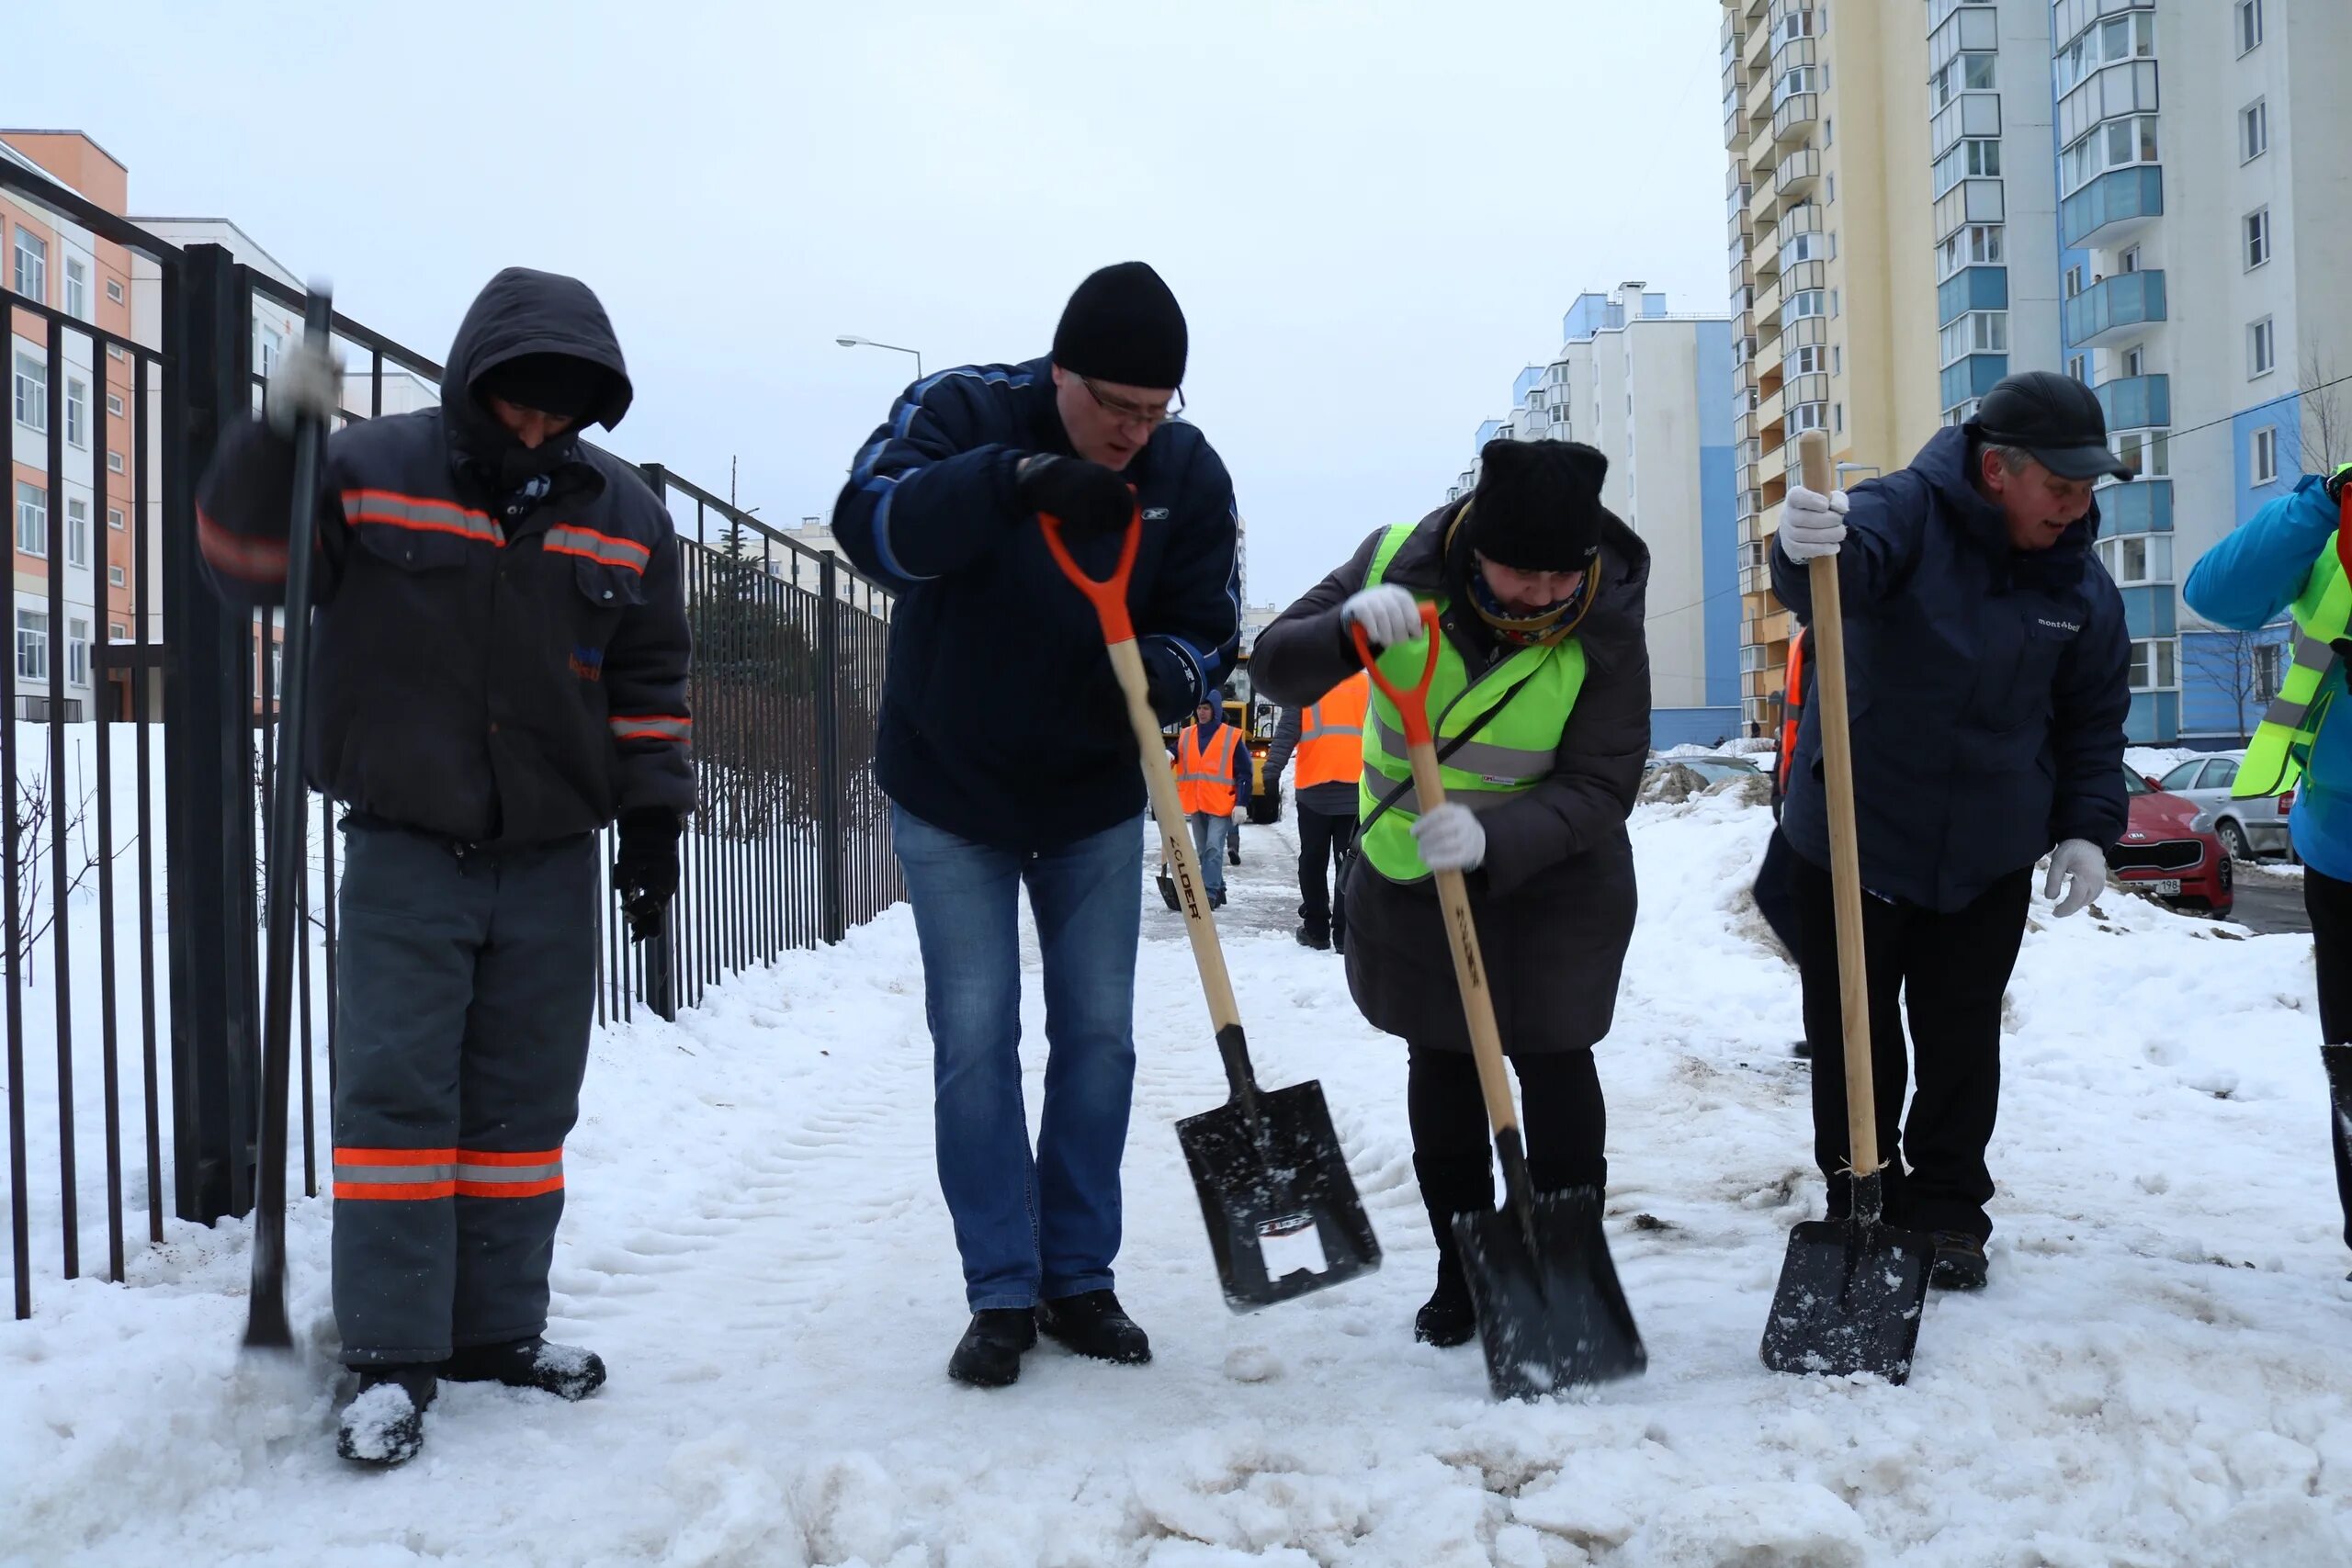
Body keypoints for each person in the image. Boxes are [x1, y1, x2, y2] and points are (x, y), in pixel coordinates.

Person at [196, 268, 692, 1465]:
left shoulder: (624, 512)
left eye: (561, 409)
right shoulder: (371, 467)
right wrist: (276, 433)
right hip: (408, 844)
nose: (535, 425)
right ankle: (389, 1354)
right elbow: (242, 561)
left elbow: (651, 682)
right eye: (518, 401)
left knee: (524, 1109)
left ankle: (494, 1331)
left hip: (551, 854)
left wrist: (654, 824)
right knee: (398, 1109)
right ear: (475, 380)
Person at [831, 263, 1240, 1388]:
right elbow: (867, 526)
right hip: (952, 787)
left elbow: (1212, 625)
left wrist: (1166, 671)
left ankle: (1079, 1277)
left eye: (1155, 412)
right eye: (1114, 407)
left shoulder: (1185, 473)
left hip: (1094, 797)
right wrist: (1009, 482)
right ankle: (1001, 1290)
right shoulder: (960, 411)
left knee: (1099, 1041)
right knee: (975, 1040)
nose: (1133, 433)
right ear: (1060, 372)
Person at [1252, 439, 1649, 1347]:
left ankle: (1562, 1266)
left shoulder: (1607, 612)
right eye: (1522, 572)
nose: (1545, 594)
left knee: (1552, 1060)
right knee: (1443, 1063)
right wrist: (1347, 628)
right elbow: (1278, 667)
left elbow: (1602, 780)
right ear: (1474, 548)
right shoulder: (1397, 558)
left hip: (1555, 870)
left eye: (1564, 572)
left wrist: (1494, 835)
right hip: (1410, 871)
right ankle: (1464, 1267)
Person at [1770, 369, 2132, 1291]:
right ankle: (1860, 1189)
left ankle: (1946, 1211)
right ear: (1999, 469)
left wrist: (2086, 829)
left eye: (2088, 488)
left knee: (1960, 1038)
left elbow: (2091, 721)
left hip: (1986, 848)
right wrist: (1795, 546)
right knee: (1854, 1032)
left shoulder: (2079, 587)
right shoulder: (1905, 512)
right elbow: (1834, 573)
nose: (2075, 506)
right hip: (1857, 832)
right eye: (2060, 486)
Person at [2182, 461, 2352, 1270]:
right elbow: (2217, 595)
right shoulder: (2333, 527)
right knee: (2351, 1066)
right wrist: (2319, 502)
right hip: (2343, 847)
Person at [1261, 671, 1370, 951]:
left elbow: (1287, 730)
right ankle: (1345, 935)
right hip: (1356, 792)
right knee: (1350, 862)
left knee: (1312, 861)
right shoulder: (1368, 686)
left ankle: (1317, 929)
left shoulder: (1304, 683)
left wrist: (1272, 771)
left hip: (1314, 793)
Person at [1175, 690, 1252, 908]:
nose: (1201, 712)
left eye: (1206, 708)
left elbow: (1244, 772)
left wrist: (1242, 803)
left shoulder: (1231, 736)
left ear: (1216, 710)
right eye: (1199, 708)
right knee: (1202, 850)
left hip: (1221, 804)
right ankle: (1219, 888)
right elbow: (1176, 751)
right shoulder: (1187, 734)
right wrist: (1170, 754)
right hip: (1197, 802)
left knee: (1213, 848)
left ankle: (1208, 893)